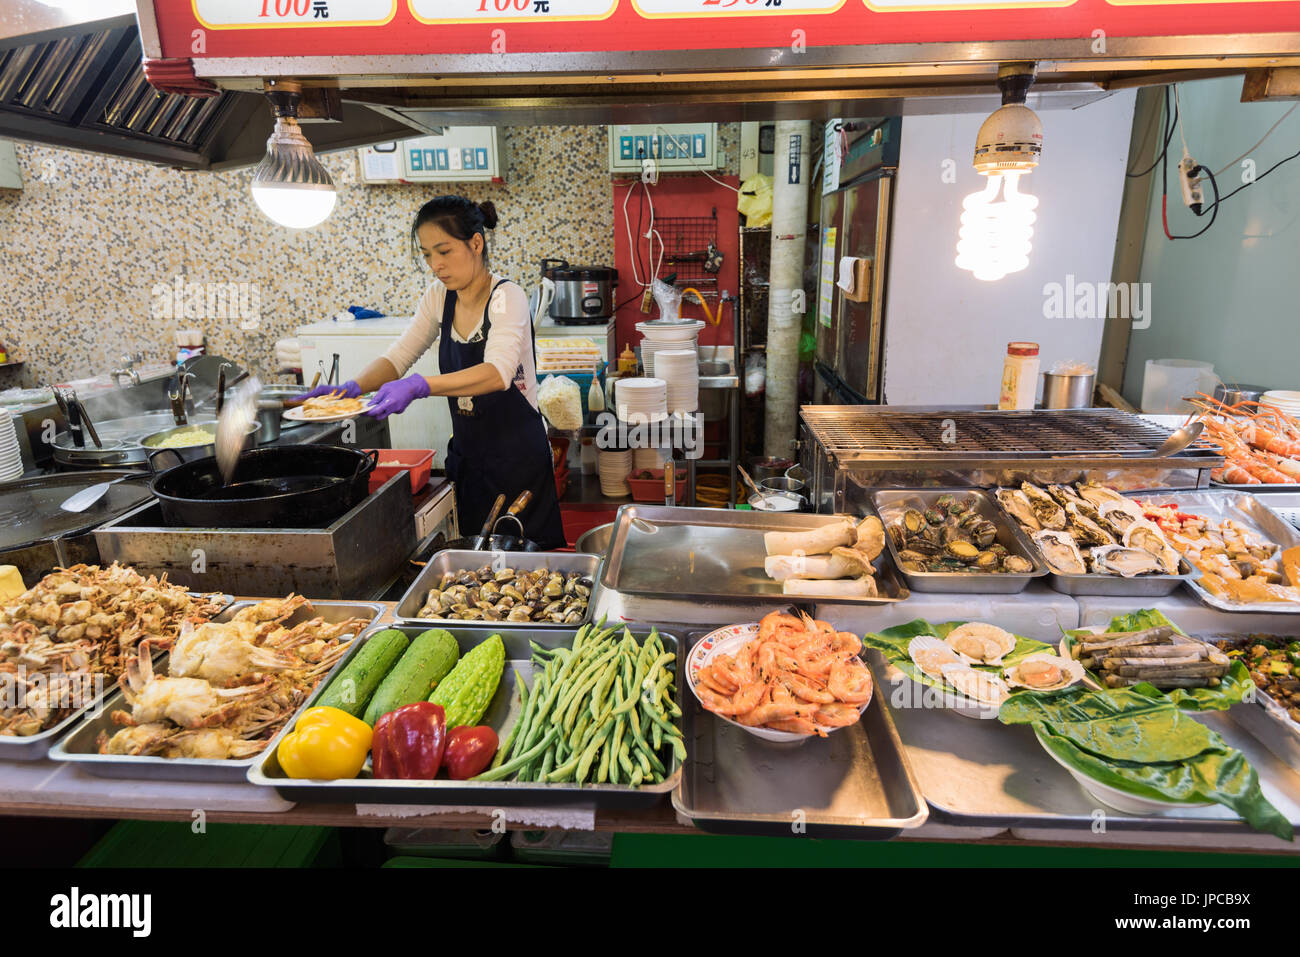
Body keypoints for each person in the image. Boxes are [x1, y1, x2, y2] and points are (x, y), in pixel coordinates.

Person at [299, 196, 565, 549]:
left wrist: (421, 386)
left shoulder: (507, 297)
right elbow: (399, 356)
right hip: (469, 461)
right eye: (426, 255)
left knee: (532, 570)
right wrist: (351, 387)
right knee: (479, 568)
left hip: (518, 462)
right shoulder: (439, 298)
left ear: (475, 243)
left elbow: (497, 373)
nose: (435, 265)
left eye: (444, 251)